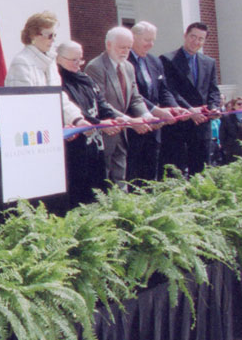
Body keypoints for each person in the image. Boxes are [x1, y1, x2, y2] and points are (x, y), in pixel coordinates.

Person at [56, 41, 122, 213]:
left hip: (95, 146)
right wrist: (99, 124)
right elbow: (78, 111)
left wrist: (115, 118)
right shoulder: (59, 81)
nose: (78, 65)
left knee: (98, 188)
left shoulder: (86, 79)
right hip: (74, 148)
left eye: (81, 60)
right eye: (73, 60)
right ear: (59, 59)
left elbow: (101, 103)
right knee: (79, 193)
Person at [84, 26, 154, 184]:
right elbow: (101, 102)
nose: (125, 52)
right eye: (122, 47)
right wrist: (128, 120)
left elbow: (135, 97)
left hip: (122, 134)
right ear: (109, 45)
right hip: (106, 132)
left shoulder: (128, 67)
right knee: (104, 180)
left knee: (120, 178)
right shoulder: (95, 67)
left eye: (129, 48)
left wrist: (146, 115)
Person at [4, 10, 87, 127]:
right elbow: (24, 105)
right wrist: (57, 126)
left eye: (54, 35)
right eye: (49, 35)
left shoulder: (51, 63)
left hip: (51, 129)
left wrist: (77, 120)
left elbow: (59, 97)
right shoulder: (21, 63)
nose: (53, 40)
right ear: (33, 35)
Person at [161, 22, 222, 176]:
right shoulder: (168, 60)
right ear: (185, 36)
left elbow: (213, 90)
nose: (196, 42)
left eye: (201, 39)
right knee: (176, 172)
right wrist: (190, 110)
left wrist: (214, 107)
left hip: (202, 125)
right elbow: (170, 91)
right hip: (180, 124)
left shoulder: (209, 62)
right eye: (193, 37)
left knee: (201, 172)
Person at [126, 21, 181, 182]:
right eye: (146, 40)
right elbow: (132, 94)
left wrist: (174, 108)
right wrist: (154, 111)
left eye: (153, 40)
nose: (150, 44)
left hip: (155, 127)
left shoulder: (155, 61)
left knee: (151, 172)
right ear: (133, 38)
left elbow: (164, 90)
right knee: (134, 174)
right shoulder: (125, 61)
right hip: (135, 126)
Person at [218, 95, 242, 163]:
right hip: (232, 151)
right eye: (239, 104)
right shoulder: (226, 119)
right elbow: (222, 136)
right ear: (234, 106)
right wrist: (226, 149)